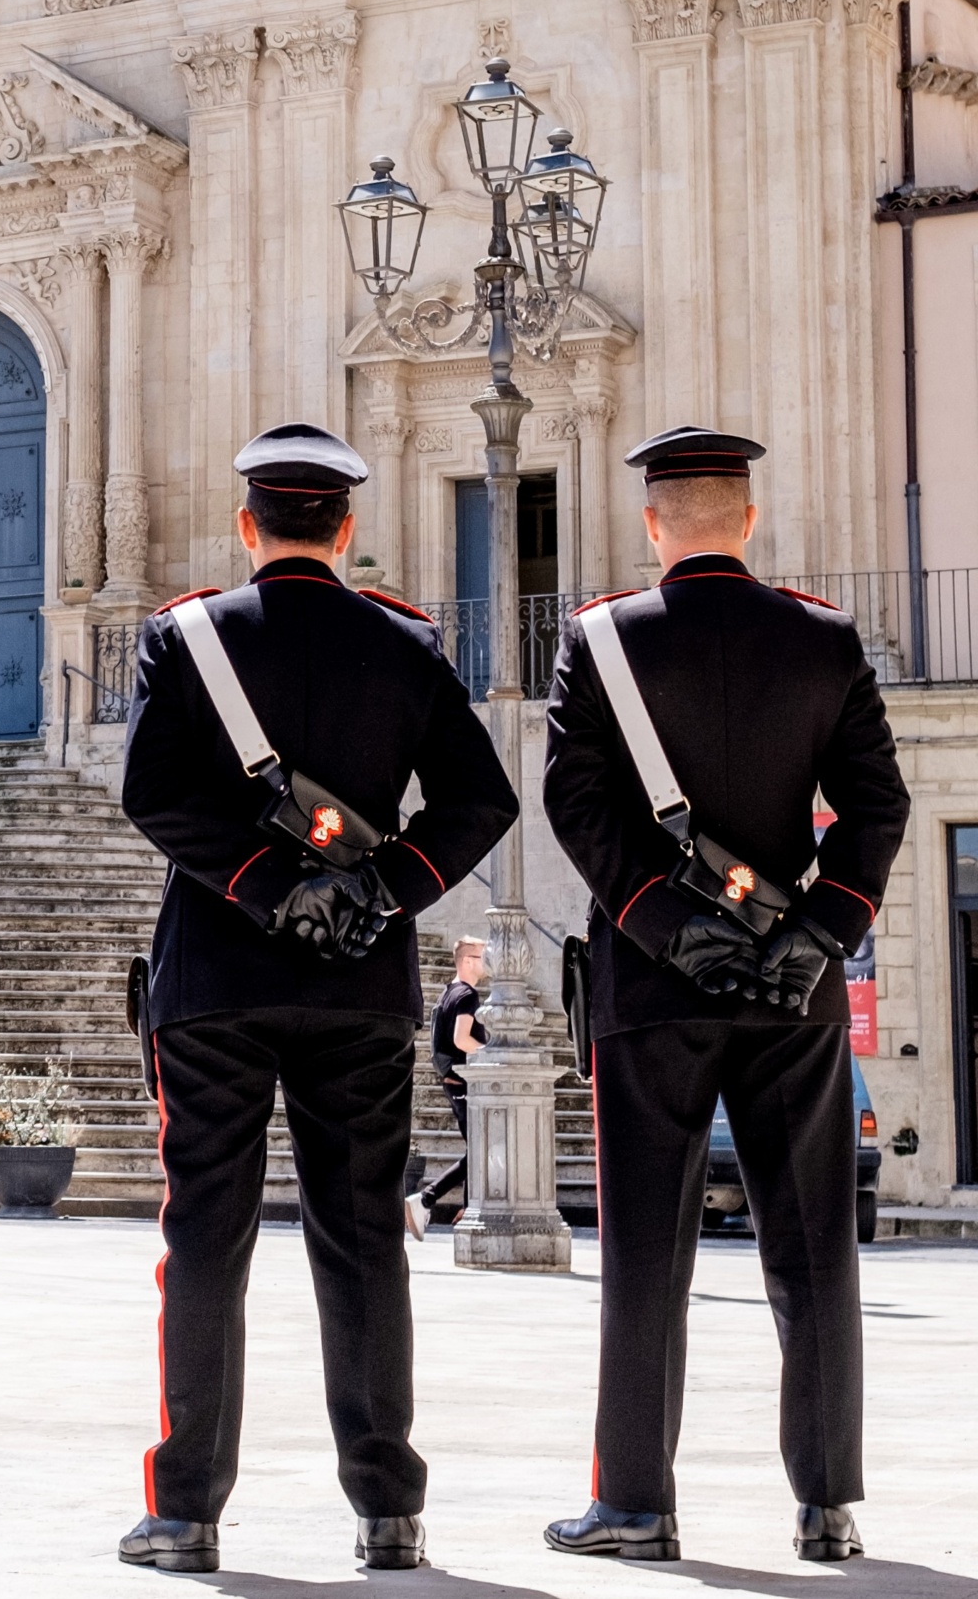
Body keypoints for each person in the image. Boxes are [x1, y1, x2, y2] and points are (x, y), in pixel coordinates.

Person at [117, 425, 521, 1576]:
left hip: (214, 986)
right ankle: (387, 1511)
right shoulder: (402, 642)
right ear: (344, 530)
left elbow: (152, 792)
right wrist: (377, 894)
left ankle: (185, 1512)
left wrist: (259, 887)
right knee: (362, 1244)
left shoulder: (185, 636)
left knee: (204, 1240)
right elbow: (478, 801)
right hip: (359, 988)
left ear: (247, 526)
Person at [539, 428, 911, 1565]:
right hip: (788, 990)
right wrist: (818, 933)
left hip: (650, 990)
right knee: (811, 1252)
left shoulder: (598, 642)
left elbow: (579, 810)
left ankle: (637, 1507)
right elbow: (876, 809)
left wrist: (665, 927)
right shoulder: (823, 638)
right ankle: (827, 1507)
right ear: (745, 521)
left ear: (653, 525)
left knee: (646, 1250)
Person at [407, 937, 488, 1237]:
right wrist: (492, 1051)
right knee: (480, 1150)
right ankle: (425, 1199)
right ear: (467, 960)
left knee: (477, 1149)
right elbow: (460, 1039)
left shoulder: (449, 993)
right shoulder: (467, 995)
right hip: (464, 1083)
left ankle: (467, 1208)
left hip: (452, 1082)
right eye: (481, 956)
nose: (485, 962)